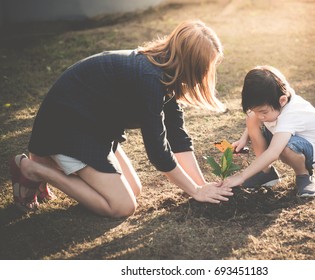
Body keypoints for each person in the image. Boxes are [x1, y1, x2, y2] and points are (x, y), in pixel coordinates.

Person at [9, 20, 234, 217]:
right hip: (67, 129)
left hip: (95, 127)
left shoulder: (166, 71)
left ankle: (49, 165)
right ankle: (35, 169)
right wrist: (194, 191)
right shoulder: (150, 79)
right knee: (122, 206)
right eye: (205, 68)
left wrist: (202, 185)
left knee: (133, 190)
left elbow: (177, 138)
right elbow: (159, 153)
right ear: (191, 64)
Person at [222, 66, 315, 197]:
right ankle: (266, 172)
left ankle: (304, 176)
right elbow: (256, 115)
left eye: (263, 112)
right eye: (257, 111)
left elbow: (273, 152)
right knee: (251, 117)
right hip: (285, 138)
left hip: (310, 151)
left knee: (285, 148)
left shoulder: (292, 114)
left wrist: (242, 176)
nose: (260, 116)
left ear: (282, 101)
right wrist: (244, 138)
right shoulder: (276, 100)